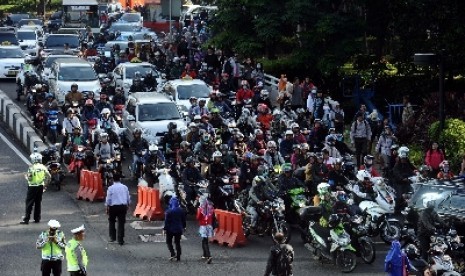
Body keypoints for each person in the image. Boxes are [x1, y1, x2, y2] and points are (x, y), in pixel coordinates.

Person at [21, 153, 51, 224]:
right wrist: (45, 185)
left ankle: (26, 219)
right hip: (40, 186)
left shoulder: (32, 167)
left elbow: (30, 178)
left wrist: (26, 177)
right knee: (38, 202)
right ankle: (37, 218)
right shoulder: (43, 166)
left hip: (32, 186)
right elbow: (49, 177)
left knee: (29, 203)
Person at [105, 173, 130, 246]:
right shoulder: (125, 187)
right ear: (120, 179)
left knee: (112, 221)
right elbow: (128, 197)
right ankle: (121, 240)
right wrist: (128, 204)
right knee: (121, 223)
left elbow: (108, 199)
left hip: (113, 207)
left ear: (113, 179)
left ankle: (112, 237)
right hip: (122, 206)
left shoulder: (111, 188)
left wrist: (107, 207)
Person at [163, 197, 186, 261]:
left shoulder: (169, 211)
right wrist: (184, 227)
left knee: (168, 242)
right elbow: (183, 220)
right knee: (177, 242)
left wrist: (164, 229)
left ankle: (173, 253)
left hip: (170, 229)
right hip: (179, 229)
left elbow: (166, 221)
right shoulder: (181, 210)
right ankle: (178, 256)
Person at [196, 196, 215, 264]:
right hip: (209, 226)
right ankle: (204, 254)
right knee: (205, 240)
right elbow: (213, 216)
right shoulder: (211, 208)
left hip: (203, 226)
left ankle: (208, 255)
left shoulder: (200, 209)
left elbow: (198, 217)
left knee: (205, 241)